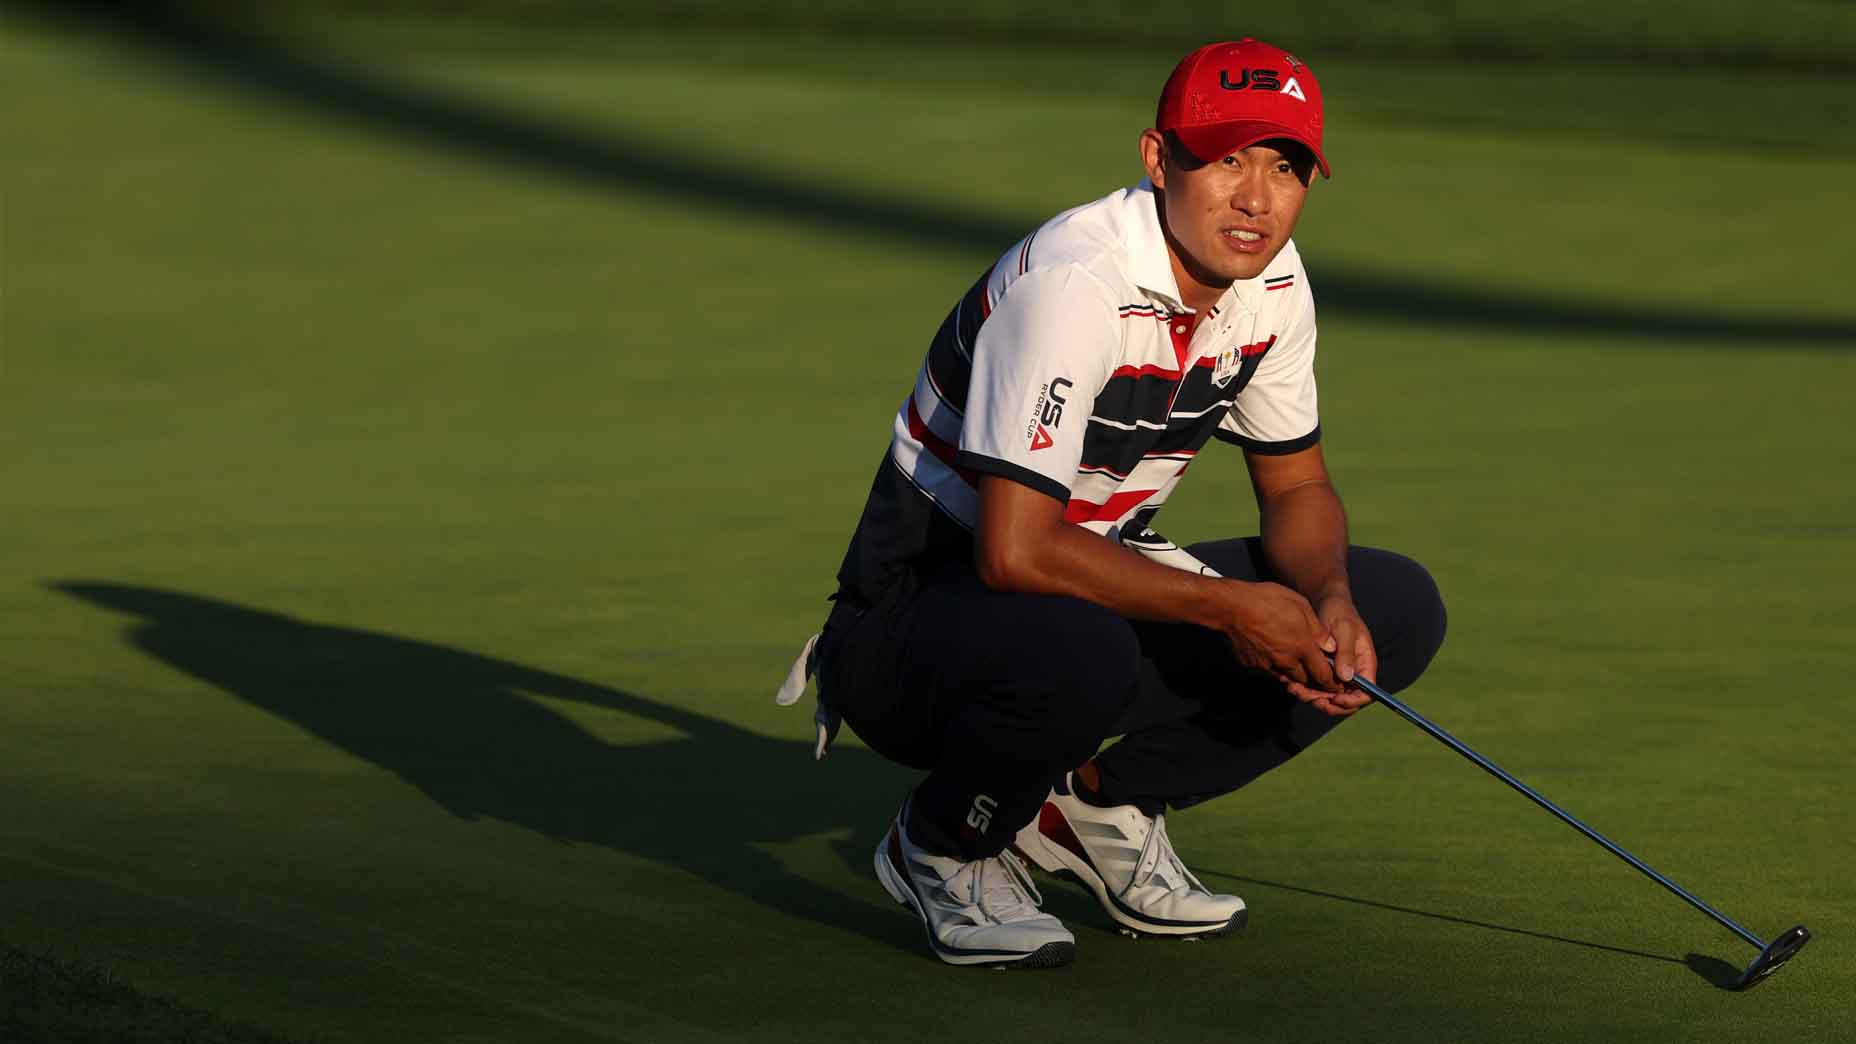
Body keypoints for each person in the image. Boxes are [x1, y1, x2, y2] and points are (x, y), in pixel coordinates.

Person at [786, 39, 1447, 969]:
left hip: (1075, 593)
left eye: (1286, 167)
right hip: (913, 626)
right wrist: (1231, 608)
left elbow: (1296, 484)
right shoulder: (1076, 282)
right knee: (1080, 645)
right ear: (1157, 157)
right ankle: (942, 842)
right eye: (1227, 159)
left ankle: (1092, 805)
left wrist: (1329, 601)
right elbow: (1013, 554)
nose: (1257, 197)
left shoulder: (1274, 284)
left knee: (1394, 607)